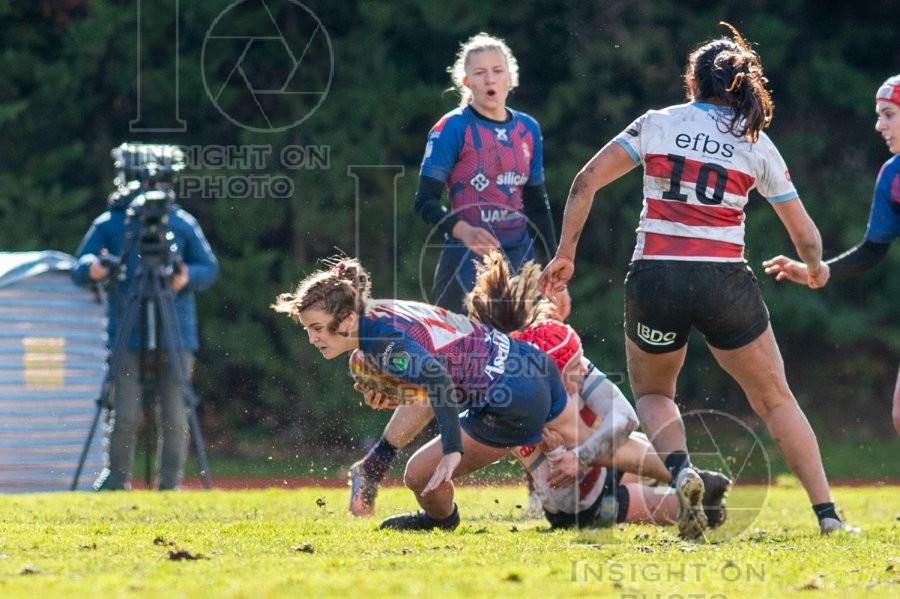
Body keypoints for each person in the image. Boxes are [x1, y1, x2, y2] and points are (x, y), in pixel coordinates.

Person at [539, 23, 856, 535]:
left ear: (693, 83)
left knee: (654, 393)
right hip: (724, 282)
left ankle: (683, 471)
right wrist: (815, 271)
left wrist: (566, 254)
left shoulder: (658, 124)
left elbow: (585, 181)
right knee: (775, 398)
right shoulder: (755, 142)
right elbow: (807, 237)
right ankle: (828, 517)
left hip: (655, 279)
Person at [346, 251, 730, 537]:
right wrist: (398, 401)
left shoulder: (564, 351)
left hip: (590, 491)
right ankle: (691, 482)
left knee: (576, 445)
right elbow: (434, 394)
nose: (581, 368)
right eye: (573, 365)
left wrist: (580, 457)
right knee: (426, 473)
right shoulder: (506, 374)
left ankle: (687, 477)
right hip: (578, 491)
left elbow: (625, 418)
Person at [272, 257, 582, 531]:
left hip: (511, 404)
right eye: (307, 329)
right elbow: (441, 362)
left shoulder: (382, 344)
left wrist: (452, 450)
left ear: (348, 320)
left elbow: (438, 379)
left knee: (417, 477)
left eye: (317, 328)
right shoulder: (379, 310)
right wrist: (400, 392)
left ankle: (441, 520)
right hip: (530, 363)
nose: (312, 338)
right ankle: (596, 485)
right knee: (594, 448)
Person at [72, 145, 219, 491]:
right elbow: (80, 265)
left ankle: (170, 484)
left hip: (175, 329)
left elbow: (209, 268)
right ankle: (116, 478)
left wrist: (186, 279)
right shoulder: (111, 222)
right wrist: (94, 268)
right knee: (124, 411)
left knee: (175, 411)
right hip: (127, 327)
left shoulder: (180, 222)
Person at [763, 74, 900, 436]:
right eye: (878, 115)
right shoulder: (892, 177)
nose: (878, 125)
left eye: (888, 114)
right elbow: (873, 249)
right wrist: (822, 270)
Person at [415, 32, 560, 315]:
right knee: (461, 353)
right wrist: (464, 231)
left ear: (510, 78)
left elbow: (537, 206)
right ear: (466, 81)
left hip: (521, 258)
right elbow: (424, 202)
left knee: (529, 350)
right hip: (466, 261)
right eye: (480, 73)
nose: (490, 79)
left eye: (497, 71)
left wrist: (556, 277)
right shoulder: (452, 128)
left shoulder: (528, 129)